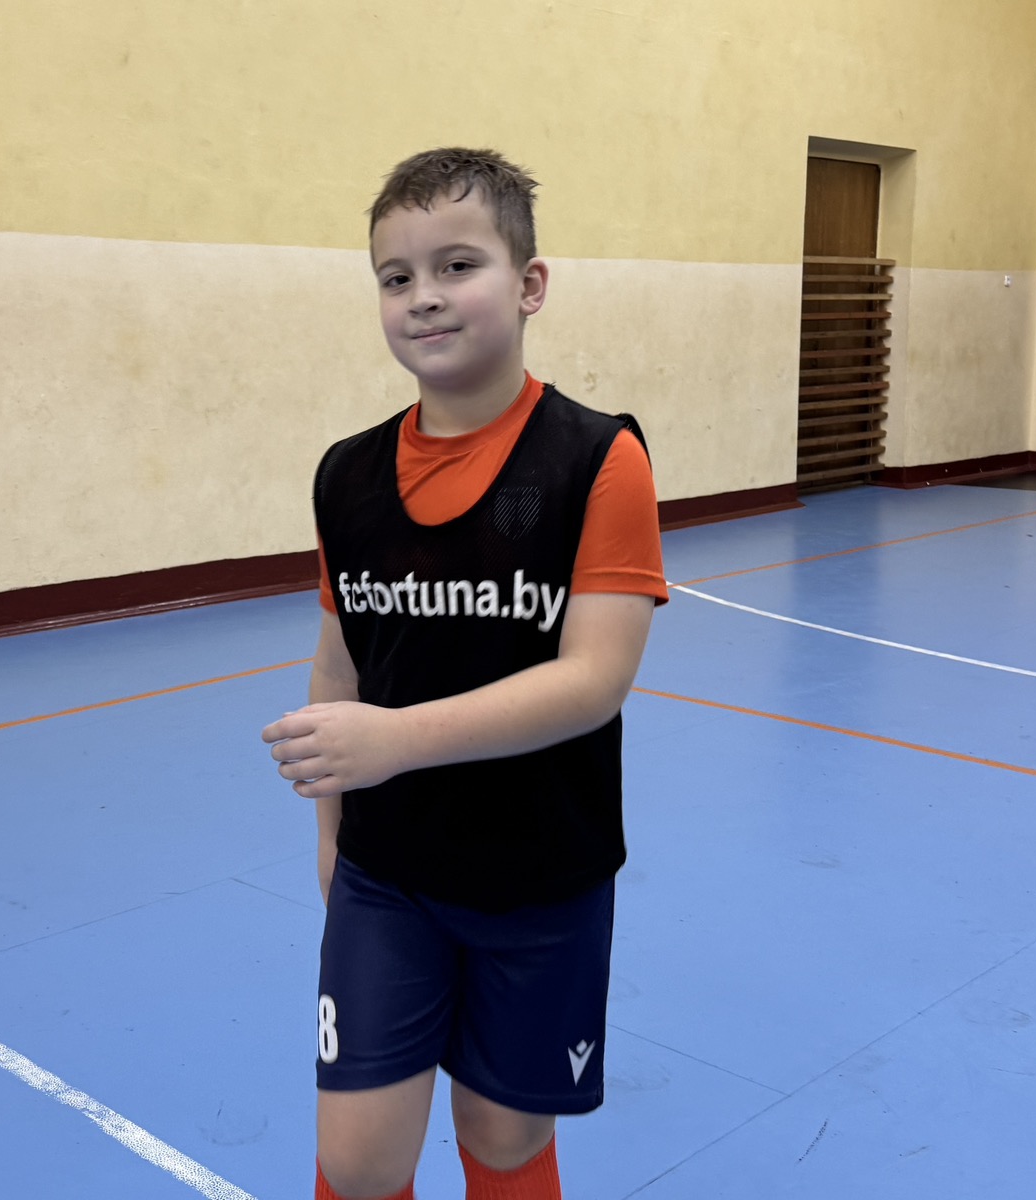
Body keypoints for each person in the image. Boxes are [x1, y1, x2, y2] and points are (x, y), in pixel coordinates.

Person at [262, 147, 668, 1200]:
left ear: (529, 285)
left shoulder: (597, 460)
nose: (424, 297)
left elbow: (594, 679)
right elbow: (338, 669)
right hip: (387, 875)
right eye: (396, 277)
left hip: (541, 877)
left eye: (457, 266)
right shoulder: (346, 476)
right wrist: (331, 838)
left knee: (501, 1135)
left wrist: (397, 739)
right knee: (357, 1161)